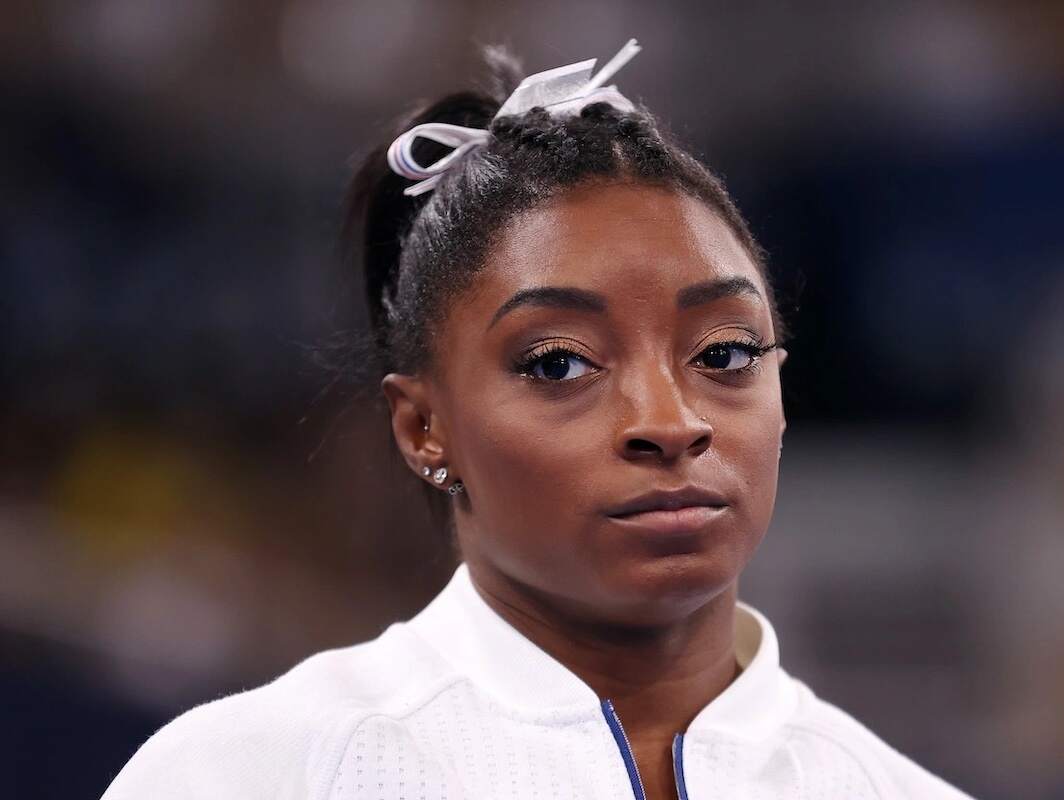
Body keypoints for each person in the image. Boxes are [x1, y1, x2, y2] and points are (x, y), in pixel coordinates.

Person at [102, 40, 974, 800]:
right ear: (422, 428)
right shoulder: (247, 778)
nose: (668, 423)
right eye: (559, 363)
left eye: (725, 354)